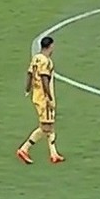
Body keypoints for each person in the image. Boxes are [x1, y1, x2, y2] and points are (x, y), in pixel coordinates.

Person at [17, 36, 64, 164]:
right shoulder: (46, 61)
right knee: (45, 128)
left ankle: (54, 154)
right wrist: (49, 97)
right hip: (44, 98)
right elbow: (44, 78)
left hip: (37, 95)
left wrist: (28, 89)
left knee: (50, 126)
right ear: (50, 46)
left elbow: (29, 74)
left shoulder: (36, 58)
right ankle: (24, 149)